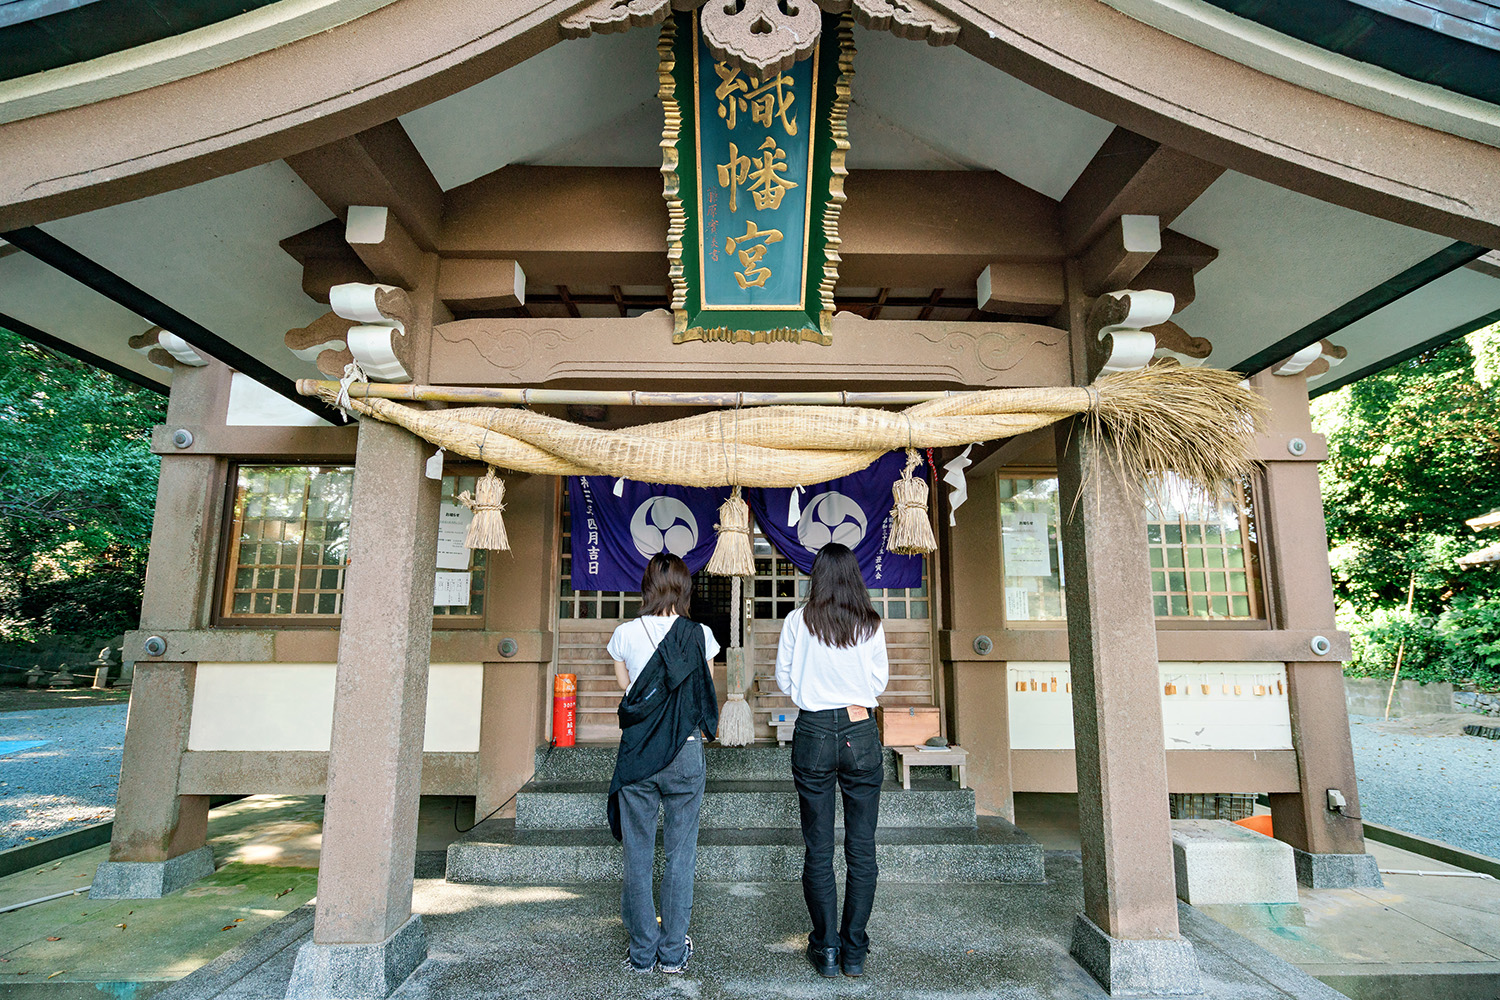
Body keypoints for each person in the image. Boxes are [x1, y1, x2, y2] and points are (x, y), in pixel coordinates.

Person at [775, 542, 889, 979]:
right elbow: (878, 680)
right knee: (862, 848)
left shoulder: (796, 621)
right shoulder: (871, 623)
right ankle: (854, 951)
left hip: (814, 730)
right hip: (860, 731)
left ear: (816, 576)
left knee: (818, 848)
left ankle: (824, 949)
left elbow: (786, 677)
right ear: (854, 576)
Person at [605, 553, 721, 975]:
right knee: (680, 853)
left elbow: (624, 685)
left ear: (647, 586)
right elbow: (703, 688)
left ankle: (641, 952)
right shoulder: (700, 634)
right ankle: (673, 952)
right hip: (685, 752)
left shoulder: (623, 634)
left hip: (638, 754)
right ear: (685, 589)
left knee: (637, 854)